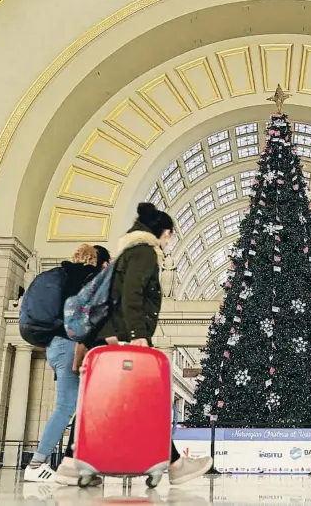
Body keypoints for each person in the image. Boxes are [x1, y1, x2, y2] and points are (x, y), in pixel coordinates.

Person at [92, 202, 213, 485]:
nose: (170, 240)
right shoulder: (145, 253)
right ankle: (172, 464)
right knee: (148, 403)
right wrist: (139, 336)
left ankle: (80, 461)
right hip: (127, 339)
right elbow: (132, 295)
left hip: (116, 337)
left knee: (127, 404)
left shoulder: (130, 252)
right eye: (170, 234)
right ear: (162, 231)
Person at [24, 244, 112, 484]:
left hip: (56, 345)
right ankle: (37, 464)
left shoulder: (66, 276)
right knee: (66, 406)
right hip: (68, 347)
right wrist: (78, 354)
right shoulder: (86, 279)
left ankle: (74, 467)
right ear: (102, 264)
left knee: (81, 407)